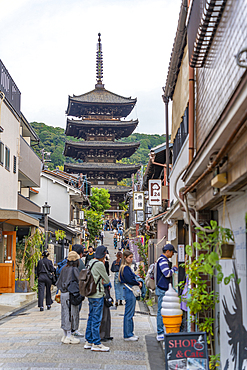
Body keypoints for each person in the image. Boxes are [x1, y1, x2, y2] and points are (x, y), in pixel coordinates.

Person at [84, 245, 110, 352]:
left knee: (91, 317)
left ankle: (88, 341)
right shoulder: (99, 264)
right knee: (96, 319)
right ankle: (96, 343)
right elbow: (107, 279)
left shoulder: (91, 262)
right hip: (97, 294)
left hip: (90, 293)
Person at [56, 251, 81, 344]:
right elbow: (79, 281)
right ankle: (70, 336)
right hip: (71, 294)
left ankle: (65, 334)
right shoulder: (74, 269)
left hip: (63, 293)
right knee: (72, 314)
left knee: (64, 313)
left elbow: (58, 282)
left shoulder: (64, 269)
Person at [155, 244, 178, 342]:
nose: (172, 254)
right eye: (172, 252)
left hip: (162, 288)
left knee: (162, 310)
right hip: (162, 288)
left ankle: (161, 331)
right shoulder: (163, 260)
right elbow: (167, 273)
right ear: (167, 251)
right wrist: (174, 269)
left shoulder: (161, 260)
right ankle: (160, 332)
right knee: (161, 311)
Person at [119, 250, 142, 341]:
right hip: (130, 290)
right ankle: (128, 334)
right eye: (130, 257)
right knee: (129, 313)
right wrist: (138, 283)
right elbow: (130, 280)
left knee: (129, 313)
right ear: (125, 258)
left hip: (127, 290)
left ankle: (129, 333)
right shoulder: (126, 268)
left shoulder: (123, 267)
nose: (132, 259)